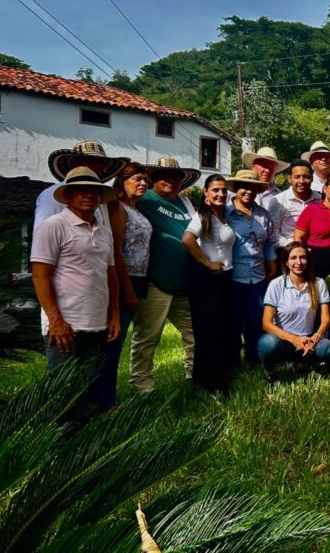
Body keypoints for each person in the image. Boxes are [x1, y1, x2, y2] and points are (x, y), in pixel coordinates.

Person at [30, 167, 119, 411]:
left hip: (96, 322)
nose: (89, 195)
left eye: (94, 191)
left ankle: (78, 438)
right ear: (68, 195)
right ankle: (54, 444)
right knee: (59, 390)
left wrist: (114, 315)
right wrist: (55, 320)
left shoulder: (103, 231)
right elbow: (40, 275)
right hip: (65, 323)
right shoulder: (54, 226)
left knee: (82, 386)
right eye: (82, 190)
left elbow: (110, 275)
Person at [130, 158, 201, 393]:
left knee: (194, 334)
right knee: (147, 338)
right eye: (164, 176)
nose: (170, 180)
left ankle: (195, 377)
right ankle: (142, 387)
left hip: (185, 283)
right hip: (156, 283)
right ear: (153, 179)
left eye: (175, 176)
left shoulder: (186, 203)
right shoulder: (144, 199)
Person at [95, 162, 153, 409]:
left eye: (145, 180)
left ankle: (104, 396)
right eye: (137, 179)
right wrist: (128, 291)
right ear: (122, 181)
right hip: (122, 280)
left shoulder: (136, 209)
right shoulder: (117, 209)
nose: (143, 184)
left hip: (140, 279)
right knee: (112, 343)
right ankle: (104, 400)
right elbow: (116, 252)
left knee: (116, 343)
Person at [181, 175, 236, 394]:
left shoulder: (221, 216)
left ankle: (204, 376)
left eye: (223, 190)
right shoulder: (202, 215)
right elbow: (186, 239)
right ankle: (215, 384)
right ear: (206, 193)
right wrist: (206, 262)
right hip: (207, 280)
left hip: (224, 279)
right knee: (210, 331)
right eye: (215, 190)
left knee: (220, 329)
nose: (220, 194)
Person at [225, 169, 279, 368]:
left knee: (256, 321)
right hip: (234, 276)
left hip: (258, 276)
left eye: (252, 188)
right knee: (233, 322)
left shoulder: (263, 215)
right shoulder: (226, 212)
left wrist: (272, 266)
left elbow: (269, 243)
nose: (248, 191)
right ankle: (232, 362)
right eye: (244, 187)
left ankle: (254, 361)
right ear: (236, 189)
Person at [259, 242, 330, 382]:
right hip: (282, 341)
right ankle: (270, 371)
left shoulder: (319, 283)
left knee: (327, 347)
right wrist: (294, 339)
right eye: (293, 258)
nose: (298, 262)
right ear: (286, 262)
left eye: (303, 257)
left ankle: (302, 363)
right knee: (267, 343)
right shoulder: (276, 284)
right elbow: (266, 323)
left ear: (308, 260)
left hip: (308, 340)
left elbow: (326, 319)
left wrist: (316, 337)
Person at [35, 140, 127, 232]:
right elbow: (42, 234)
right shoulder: (52, 195)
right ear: (74, 163)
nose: (101, 167)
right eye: (93, 161)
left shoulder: (98, 199)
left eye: (103, 163)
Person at [268, 160, 320, 248]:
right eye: (297, 177)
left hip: (316, 249)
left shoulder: (319, 200)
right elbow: (274, 234)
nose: (302, 181)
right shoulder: (279, 201)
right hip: (287, 251)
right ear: (289, 179)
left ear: (312, 178)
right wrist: (294, 248)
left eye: (306, 177)